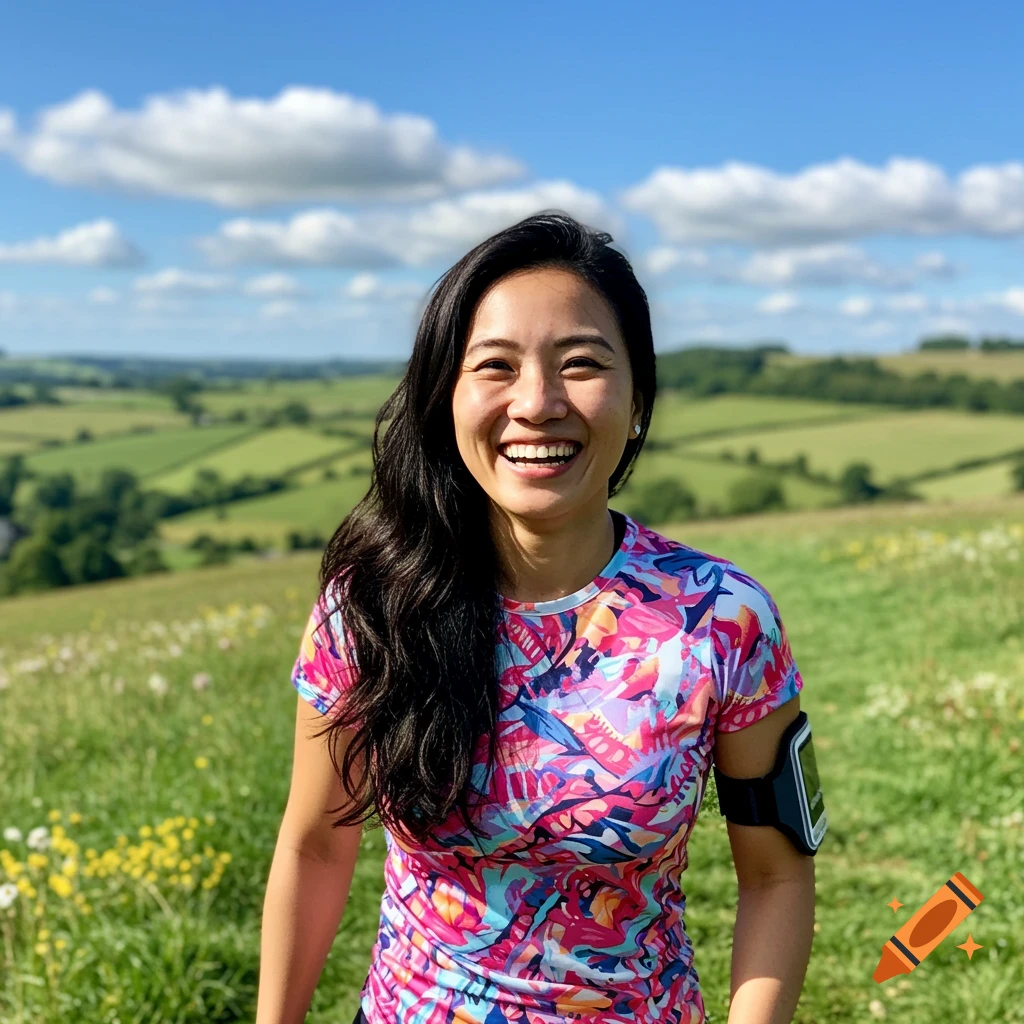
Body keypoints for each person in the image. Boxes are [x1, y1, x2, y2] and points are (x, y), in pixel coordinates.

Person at [257, 212, 816, 1024]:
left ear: (637, 401)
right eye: (495, 366)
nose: (538, 403)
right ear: (446, 397)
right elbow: (314, 845)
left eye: (581, 364)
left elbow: (777, 876)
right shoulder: (371, 608)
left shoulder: (724, 621)